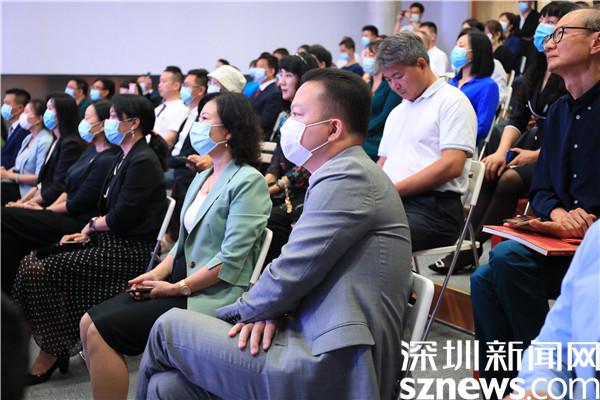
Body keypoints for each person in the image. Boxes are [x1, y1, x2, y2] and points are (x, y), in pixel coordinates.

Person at [136, 67, 412, 400]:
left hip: (330, 359)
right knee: (167, 387)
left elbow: (292, 269)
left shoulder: (348, 176)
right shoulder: (342, 173)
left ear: (333, 128)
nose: (288, 125)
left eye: (298, 114)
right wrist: (269, 310)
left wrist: (239, 313)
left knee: (168, 328)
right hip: (306, 329)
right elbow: (298, 271)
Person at [80, 92, 271, 400]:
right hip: (179, 281)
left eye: (205, 119)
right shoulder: (204, 175)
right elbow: (183, 242)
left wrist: (176, 288)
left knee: (101, 332)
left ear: (230, 131)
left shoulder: (248, 181)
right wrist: (155, 273)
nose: (197, 125)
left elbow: (230, 260)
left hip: (210, 293)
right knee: (87, 321)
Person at [471, 8, 600, 398]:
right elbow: (542, 189)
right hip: (563, 242)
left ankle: (545, 386)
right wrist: (559, 214)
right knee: (483, 279)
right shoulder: (558, 112)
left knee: (507, 260)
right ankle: (505, 389)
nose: (549, 43)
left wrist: (589, 220)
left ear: (596, 41)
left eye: (561, 33)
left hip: (594, 250)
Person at [11, 94, 169, 385]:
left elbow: (121, 217)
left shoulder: (143, 161)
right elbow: (105, 209)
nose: (108, 122)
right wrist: (88, 229)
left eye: (113, 117)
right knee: (31, 260)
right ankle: (39, 343)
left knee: (40, 269)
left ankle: (48, 349)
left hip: (128, 251)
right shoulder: (124, 156)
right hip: (109, 240)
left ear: (133, 123)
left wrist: (91, 226)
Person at [429, 1, 579, 274]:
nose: (543, 26)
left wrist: (537, 155)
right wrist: (501, 151)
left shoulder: (570, 75)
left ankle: (473, 247)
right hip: (530, 145)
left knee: (509, 179)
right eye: (542, 19)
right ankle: (464, 244)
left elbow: (570, 134)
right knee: (491, 168)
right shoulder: (536, 69)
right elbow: (517, 119)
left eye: (551, 21)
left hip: (551, 154)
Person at [2, 100, 118, 292]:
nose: (84, 121)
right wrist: (38, 207)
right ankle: (10, 299)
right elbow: (67, 188)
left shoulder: (107, 159)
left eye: (88, 118)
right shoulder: (90, 151)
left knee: (4, 215)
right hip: (60, 213)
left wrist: (46, 210)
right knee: (6, 240)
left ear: (102, 124)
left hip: (75, 222)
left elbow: (78, 202)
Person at [377, 32, 477, 252]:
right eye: (388, 80)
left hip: (434, 209)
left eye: (398, 76)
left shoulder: (452, 101)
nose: (394, 86)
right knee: (341, 226)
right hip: (395, 201)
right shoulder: (397, 112)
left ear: (421, 64)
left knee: (369, 238)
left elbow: (452, 165)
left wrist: (393, 191)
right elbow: (382, 163)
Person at [506, 221, 600, 400]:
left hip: (571, 238)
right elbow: (552, 349)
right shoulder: (597, 238)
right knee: (485, 278)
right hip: (562, 230)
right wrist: (539, 389)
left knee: (507, 257)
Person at [263, 53, 318, 264]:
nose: (282, 82)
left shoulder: (314, 115)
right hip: (283, 187)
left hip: (305, 190)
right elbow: (277, 155)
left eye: (289, 75)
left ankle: (275, 270)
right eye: (281, 75)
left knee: (271, 216)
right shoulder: (285, 115)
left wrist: (276, 186)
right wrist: (268, 178)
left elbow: (309, 160)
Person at [4, 93, 84, 210]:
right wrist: (22, 202)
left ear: (63, 113)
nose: (47, 112)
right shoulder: (56, 140)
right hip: (37, 196)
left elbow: (58, 186)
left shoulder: (70, 144)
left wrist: (25, 204)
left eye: (50, 108)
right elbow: (41, 183)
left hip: (50, 203)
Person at [449, 29, 500, 147]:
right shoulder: (452, 83)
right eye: (456, 45)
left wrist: (453, 137)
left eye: (461, 46)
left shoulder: (488, 86)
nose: (456, 50)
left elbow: (482, 127)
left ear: (476, 52)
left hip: (462, 145)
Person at [1, 99, 53, 205]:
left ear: (39, 119)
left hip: (27, 192)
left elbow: (39, 178)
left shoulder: (45, 141)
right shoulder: (28, 137)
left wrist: (8, 175)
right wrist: (5, 172)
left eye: (26, 112)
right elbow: (18, 167)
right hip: (16, 184)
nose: (22, 116)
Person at [361, 39, 403, 161]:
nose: (367, 59)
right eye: (366, 55)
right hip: (365, 134)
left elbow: (386, 115)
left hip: (379, 136)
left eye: (371, 55)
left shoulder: (390, 85)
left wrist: (363, 130)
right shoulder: (367, 84)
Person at [250, 53, 285, 140]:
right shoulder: (258, 89)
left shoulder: (274, 93)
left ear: (271, 71)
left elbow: (265, 122)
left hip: (261, 138)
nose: (256, 70)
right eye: (256, 67)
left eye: (260, 67)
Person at [153, 66, 190, 148]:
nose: (159, 85)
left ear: (176, 85)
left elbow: (169, 139)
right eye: (159, 81)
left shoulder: (181, 108)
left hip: (158, 151)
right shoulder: (159, 107)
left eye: (163, 81)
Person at [1, 88, 31, 169]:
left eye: (7, 103)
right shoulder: (13, 128)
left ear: (19, 108)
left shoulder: (24, 131)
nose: (3, 106)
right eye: (4, 103)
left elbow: (14, 162)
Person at [516, 1, 540, 72]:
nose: (521, 2)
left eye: (524, 1)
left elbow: (532, 36)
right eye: (520, 1)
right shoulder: (517, 18)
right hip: (517, 53)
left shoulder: (537, 17)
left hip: (530, 52)